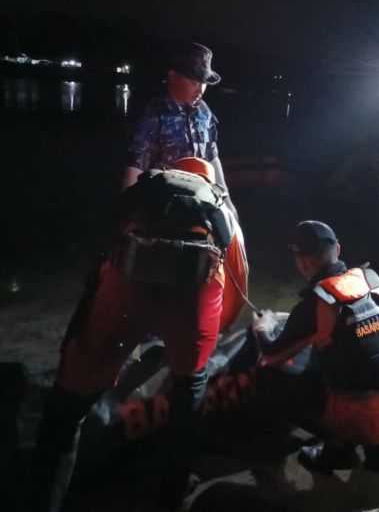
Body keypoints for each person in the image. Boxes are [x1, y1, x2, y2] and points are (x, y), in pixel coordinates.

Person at [29, 158, 242, 512]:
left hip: (124, 291)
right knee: (189, 391)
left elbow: (100, 258)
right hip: (194, 300)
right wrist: (197, 343)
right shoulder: (219, 209)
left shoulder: (144, 197)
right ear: (208, 180)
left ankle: (44, 495)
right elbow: (237, 286)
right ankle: (170, 496)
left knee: (66, 411)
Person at [253, 220, 379, 473]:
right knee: (367, 358)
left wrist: (263, 326)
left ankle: (337, 449)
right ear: (338, 250)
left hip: (364, 421)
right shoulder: (370, 278)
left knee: (269, 374)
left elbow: (272, 356)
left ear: (302, 262)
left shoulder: (317, 303)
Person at [122, 41, 238, 217]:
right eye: (193, 81)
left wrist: (227, 202)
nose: (200, 89)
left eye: (203, 82)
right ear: (173, 76)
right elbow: (136, 166)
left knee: (230, 236)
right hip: (164, 205)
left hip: (203, 201)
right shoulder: (154, 116)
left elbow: (212, 157)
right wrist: (127, 211)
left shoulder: (205, 113)